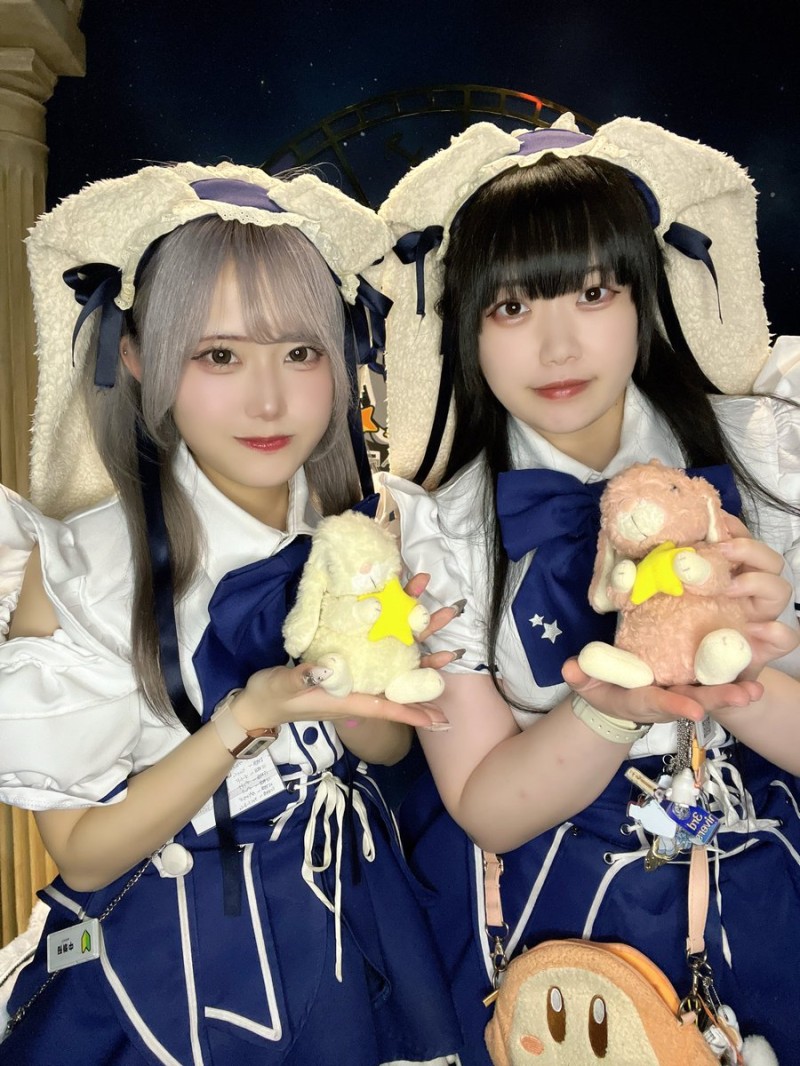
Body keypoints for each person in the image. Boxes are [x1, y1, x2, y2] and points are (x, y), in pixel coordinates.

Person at [0, 162, 464, 1065]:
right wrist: (243, 720)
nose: (269, 400)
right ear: (138, 357)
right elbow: (85, 854)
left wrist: (370, 666)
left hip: (351, 923)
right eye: (219, 355)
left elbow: (381, 750)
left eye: (301, 353)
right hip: (168, 958)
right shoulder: (81, 568)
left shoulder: (368, 527)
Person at [377, 115, 800, 1063]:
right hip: (556, 925)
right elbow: (485, 803)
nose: (559, 347)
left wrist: (744, 675)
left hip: (759, 894)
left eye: (594, 292)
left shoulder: (764, 461)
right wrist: (608, 712)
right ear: (463, 325)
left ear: (645, 295)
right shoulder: (444, 529)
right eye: (512, 308)